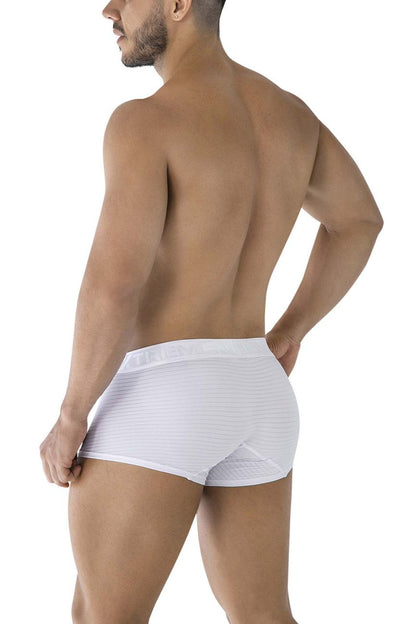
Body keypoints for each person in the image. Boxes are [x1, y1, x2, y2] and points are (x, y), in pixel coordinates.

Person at [38, 1, 384, 623]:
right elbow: (359, 221)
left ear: (177, 5)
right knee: (265, 615)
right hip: (259, 391)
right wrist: (290, 331)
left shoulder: (147, 121)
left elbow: (114, 283)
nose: (108, 9)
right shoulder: (291, 115)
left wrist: (71, 414)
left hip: (165, 393)